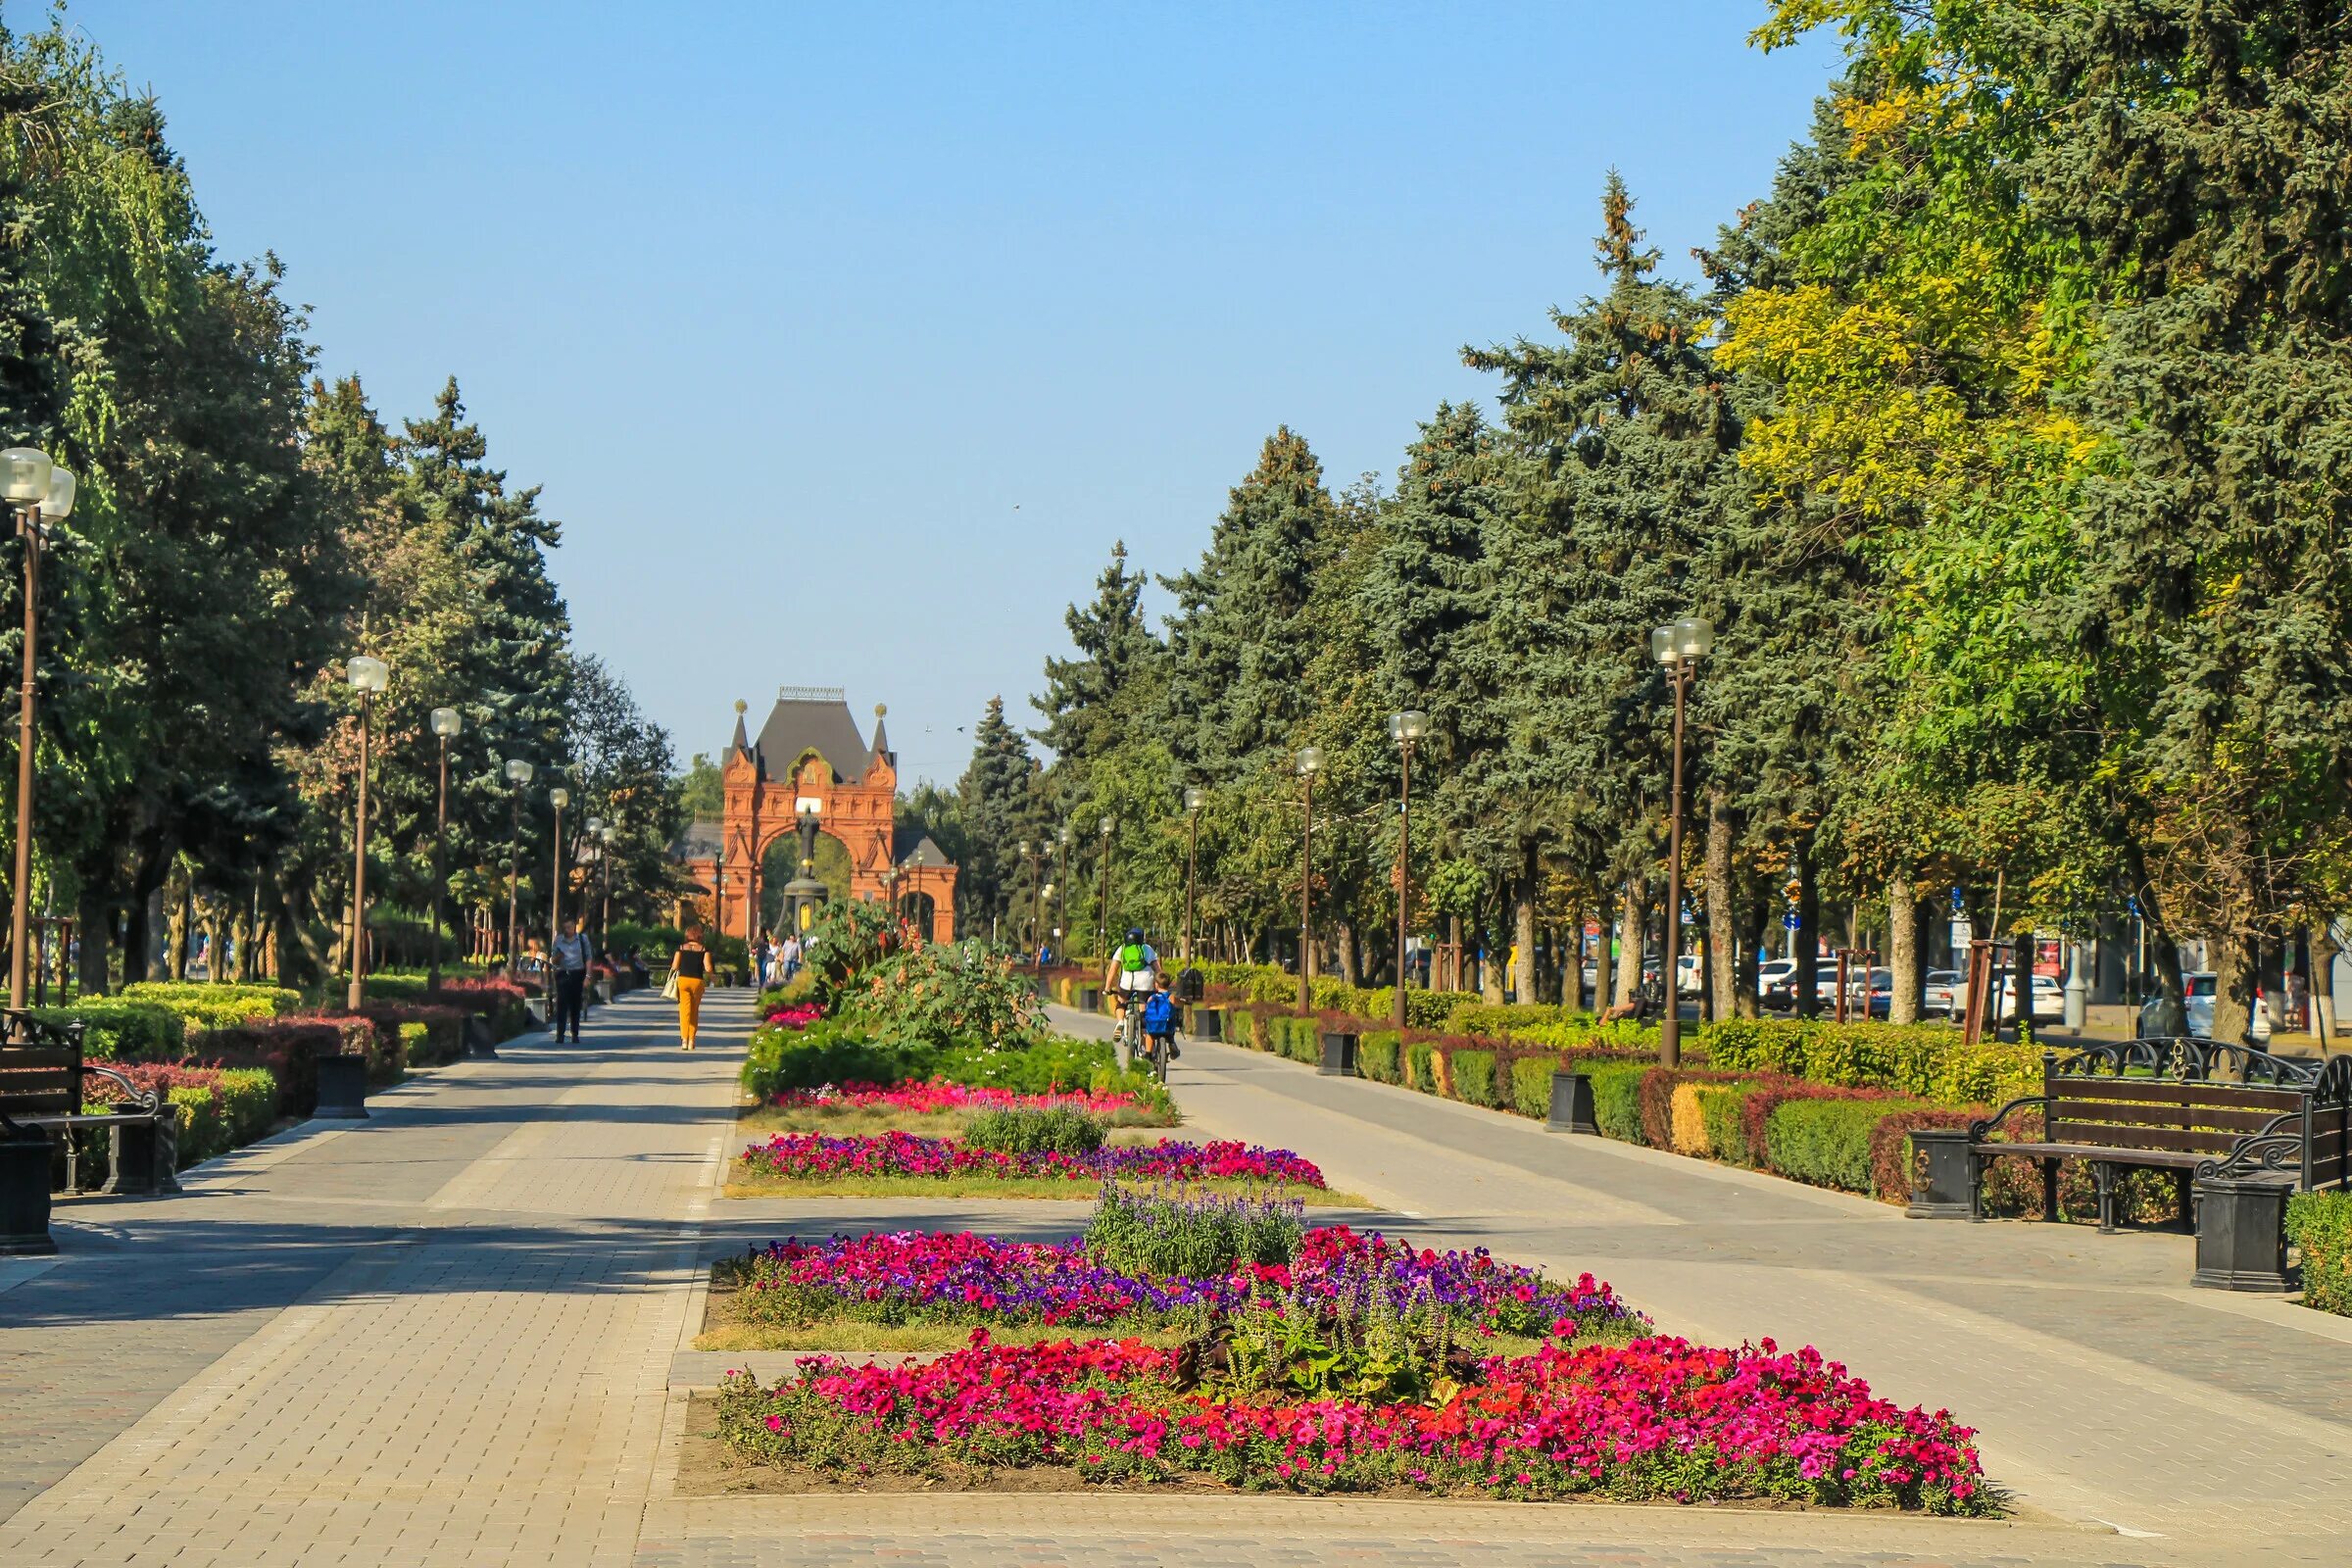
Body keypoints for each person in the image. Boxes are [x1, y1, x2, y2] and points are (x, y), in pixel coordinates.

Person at [1104, 926, 1158, 1032]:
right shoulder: (1147, 949)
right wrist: (1160, 985)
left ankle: (1120, 1021)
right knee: (1144, 1005)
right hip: (1145, 983)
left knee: (1121, 1002)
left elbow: (1112, 971)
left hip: (1127, 982)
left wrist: (1107, 987)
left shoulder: (1122, 949)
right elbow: (1158, 970)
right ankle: (1143, 1031)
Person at [551, 917, 593, 1043]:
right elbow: (553, 960)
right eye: (565, 927)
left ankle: (575, 1033)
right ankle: (560, 1034)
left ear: (574, 926)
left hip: (577, 973)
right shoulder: (558, 940)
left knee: (576, 1004)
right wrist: (558, 957)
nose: (567, 930)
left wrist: (588, 976)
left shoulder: (582, 939)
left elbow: (588, 958)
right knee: (561, 1004)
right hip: (563, 974)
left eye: (569, 927)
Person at [671, 925, 711, 1050]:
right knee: (694, 1011)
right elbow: (708, 968)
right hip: (697, 982)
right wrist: (712, 976)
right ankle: (691, 1041)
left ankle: (684, 1040)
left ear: (687, 935)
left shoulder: (681, 948)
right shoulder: (704, 949)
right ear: (700, 936)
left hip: (683, 981)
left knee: (684, 1011)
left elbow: (674, 966)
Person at [1142, 973, 1179, 1063]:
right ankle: (1171, 1044)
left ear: (1156, 984)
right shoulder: (1171, 997)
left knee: (1149, 1034)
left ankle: (1148, 1053)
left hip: (1154, 1027)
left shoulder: (1151, 997)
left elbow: (1147, 1009)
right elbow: (1174, 1009)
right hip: (1167, 1028)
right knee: (1171, 1028)